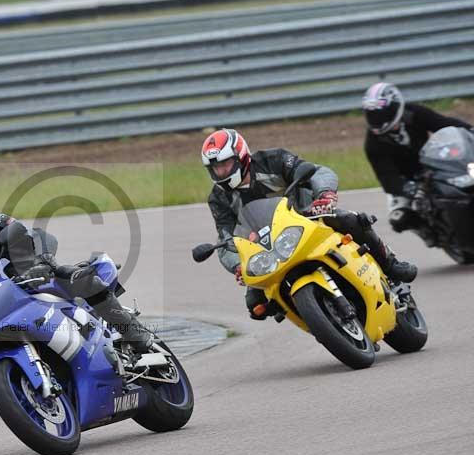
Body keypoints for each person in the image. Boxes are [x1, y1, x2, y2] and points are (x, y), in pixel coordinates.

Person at [201, 128, 417, 320]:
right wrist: (238, 264)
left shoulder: (273, 159)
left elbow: (317, 172)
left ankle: (390, 264)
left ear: (240, 157)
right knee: (255, 305)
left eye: (225, 165)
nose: (221, 172)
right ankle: (307, 311)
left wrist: (325, 195)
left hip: (308, 216)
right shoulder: (218, 199)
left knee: (351, 220)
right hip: (268, 247)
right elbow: (226, 237)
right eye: (215, 168)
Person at [0, 184, 152, 353]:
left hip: (37, 277)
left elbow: (36, 236)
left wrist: (43, 262)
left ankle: (135, 333)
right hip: (3, 304)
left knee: (83, 279)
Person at [362, 82, 472, 234]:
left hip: (433, 166)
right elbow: (387, 177)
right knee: (399, 219)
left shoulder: (414, 113)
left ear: (396, 107)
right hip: (407, 180)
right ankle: (434, 234)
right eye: (372, 114)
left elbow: (445, 124)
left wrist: (469, 131)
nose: (377, 119)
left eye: (382, 113)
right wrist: (409, 189)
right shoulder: (372, 144)